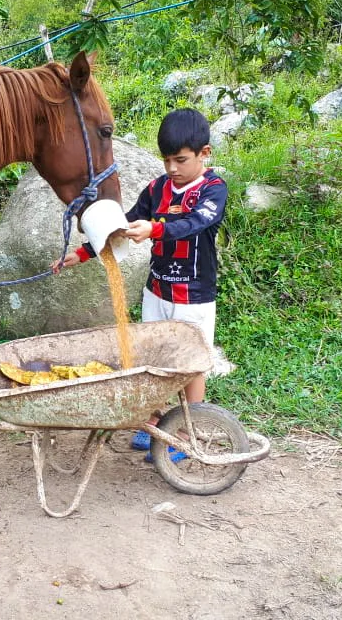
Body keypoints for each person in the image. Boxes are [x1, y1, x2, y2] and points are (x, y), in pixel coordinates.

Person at [52, 108, 227, 456]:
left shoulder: (213, 190)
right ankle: (154, 422)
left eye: (181, 160)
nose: (172, 169)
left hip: (194, 296)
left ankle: (185, 435)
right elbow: (126, 223)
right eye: (166, 161)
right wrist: (85, 252)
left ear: (204, 154)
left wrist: (156, 229)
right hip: (157, 291)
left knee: (190, 366)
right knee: (153, 361)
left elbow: (194, 223)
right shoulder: (157, 188)